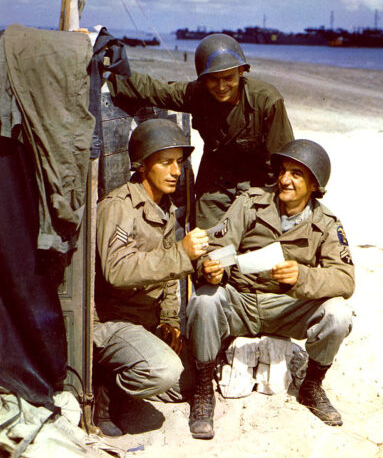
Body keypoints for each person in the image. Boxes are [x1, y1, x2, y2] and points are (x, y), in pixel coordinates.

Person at [186, 139, 355, 440]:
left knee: (338, 314)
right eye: (283, 171)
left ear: (315, 185)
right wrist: (211, 268)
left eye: (296, 174)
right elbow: (216, 246)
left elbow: (345, 279)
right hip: (241, 301)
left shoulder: (328, 224)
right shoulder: (251, 203)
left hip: (288, 308)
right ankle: (202, 390)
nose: (285, 180)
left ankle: (312, 387)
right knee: (203, 300)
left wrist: (302, 276)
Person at [93, 118, 209, 436]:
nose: (176, 171)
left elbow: (169, 277)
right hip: (110, 324)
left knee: (186, 382)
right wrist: (182, 254)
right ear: (143, 166)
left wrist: (170, 320)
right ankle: (105, 396)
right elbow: (116, 271)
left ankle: (127, 375)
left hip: (144, 322)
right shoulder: (119, 208)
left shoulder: (163, 208)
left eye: (180, 163)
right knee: (163, 371)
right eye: (166, 163)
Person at [108, 33, 294, 228]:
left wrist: (275, 203)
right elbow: (156, 90)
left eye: (228, 78)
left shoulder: (266, 102)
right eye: (213, 79)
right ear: (203, 80)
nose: (221, 86)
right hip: (215, 184)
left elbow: (284, 161)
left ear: (241, 71)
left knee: (257, 243)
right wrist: (112, 75)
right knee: (207, 245)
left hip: (258, 184)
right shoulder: (198, 94)